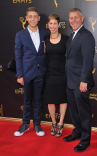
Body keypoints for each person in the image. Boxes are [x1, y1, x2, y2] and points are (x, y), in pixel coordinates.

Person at [63, 8, 95, 152]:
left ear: (82, 19)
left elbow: (88, 61)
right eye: (71, 18)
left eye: (76, 17)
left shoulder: (86, 36)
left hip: (81, 82)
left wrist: (84, 81)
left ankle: (85, 140)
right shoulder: (72, 35)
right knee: (74, 111)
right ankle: (77, 132)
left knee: (83, 112)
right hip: (70, 81)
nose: (73, 20)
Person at [14, 7, 48, 137]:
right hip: (27, 73)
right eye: (30, 16)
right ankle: (25, 124)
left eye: (35, 16)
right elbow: (18, 56)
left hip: (41, 72)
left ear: (39, 18)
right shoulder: (20, 35)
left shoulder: (45, 34)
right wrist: (20, 74)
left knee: (39, 100)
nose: (33, 18)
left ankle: (37, 124)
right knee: (27, 100)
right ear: (27, 18)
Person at [44, 14, 68, 137]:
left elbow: (70, 57)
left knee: (63, 100)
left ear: (59, 25)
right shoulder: (45, 39)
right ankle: (53, 123)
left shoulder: (65, 39)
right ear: (48, 25)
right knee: (51, 102)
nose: (52, 26)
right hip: (49, 74)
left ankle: (60, 124)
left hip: (62, 75)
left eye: (55, 23)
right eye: (50, 23)